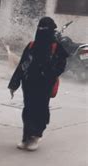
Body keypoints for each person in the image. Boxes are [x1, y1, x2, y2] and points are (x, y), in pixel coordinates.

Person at [8, 17, 68, 151]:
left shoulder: (56, 47)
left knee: (40, 110)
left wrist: (49, 73)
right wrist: (14, 84)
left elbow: (61, 66)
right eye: (40, 29)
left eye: (44, 29)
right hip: (28, 85)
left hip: (44, 86)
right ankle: (26, 138)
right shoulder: (31, 46)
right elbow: (22, 66)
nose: (41, 32)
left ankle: (35, 136)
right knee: (28, 110)